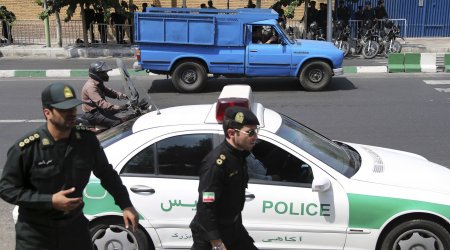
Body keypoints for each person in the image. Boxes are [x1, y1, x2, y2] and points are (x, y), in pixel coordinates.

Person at [0, 82, 138, 250]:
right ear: (47, 113)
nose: (71, 113)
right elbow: (6, 188)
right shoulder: (27, 148)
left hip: (74, 229)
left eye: (73, 108)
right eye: (64, 110)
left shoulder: (86, 141)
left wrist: (125, 204)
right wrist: (49, 201)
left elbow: (106, 174)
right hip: (36, 235)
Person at [190, 106, 259, 250]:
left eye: (256, 131)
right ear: (231, 133)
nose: (255, 137)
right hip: (211, 236)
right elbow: (206, 206)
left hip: (233, 228)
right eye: (250, 132)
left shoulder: (240, 155)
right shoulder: (216, 164)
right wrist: (216, 242)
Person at [81, 61, 128, 128]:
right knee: (118, 122)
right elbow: (101, 103)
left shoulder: (98, 83)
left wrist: (122, 96)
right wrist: (118, 107)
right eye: (104, 73)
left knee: (125, 113)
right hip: (94, 114)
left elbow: (108, 91)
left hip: (100, 110)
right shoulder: (90, 87)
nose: (106, 75)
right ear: (97, 74)